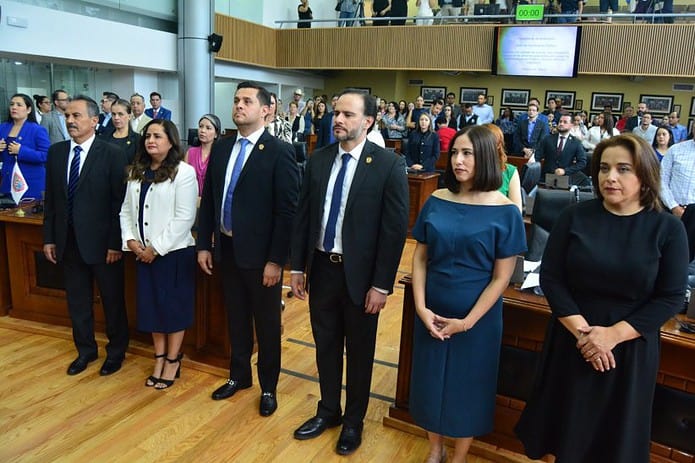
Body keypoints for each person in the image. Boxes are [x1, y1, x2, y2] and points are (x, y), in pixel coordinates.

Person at [515, 134, 688, 463]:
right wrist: (586, 336)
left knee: (613, 445)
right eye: (604, 168)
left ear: (645, 174)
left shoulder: (667, 228)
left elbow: (670, 297)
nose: (610, 177)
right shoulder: (574, 216)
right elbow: (551, 277)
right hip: (572, 338)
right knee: (562, 435)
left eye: (623, 169)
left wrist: (611, 336)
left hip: (628, 348)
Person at [290, 89, 408, 456]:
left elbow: (393, 231)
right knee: (326, 345)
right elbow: (304, 216)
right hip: (322, 269)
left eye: (348, 114)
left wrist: (381, 285)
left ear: (368, 121)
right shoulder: (319, 159)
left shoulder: (387, 165)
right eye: (336, 113)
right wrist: (297, 266)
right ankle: (329, 410)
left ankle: (354, 421)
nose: (338, 120)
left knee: (359, 352)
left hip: (361, 277)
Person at [410, 125, 526, 463]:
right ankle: (436, 449)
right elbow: (420, 257)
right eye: (455, 153)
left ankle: (460, 456)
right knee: (430, 382)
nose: (458, 160)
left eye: (467, 154)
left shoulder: (505, 210)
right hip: (432, 308)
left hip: (478, 318)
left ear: (486, 158)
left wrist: (467, 322)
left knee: (468, 389)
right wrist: (420, 307)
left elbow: (502, 277)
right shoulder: (437, 199)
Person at [197, 82, 300, 416]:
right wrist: (204, 244)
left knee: (266, 325)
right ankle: (238, 375)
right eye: (236, 100)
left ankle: (268, 386)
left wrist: (276, 261)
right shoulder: (223, 147)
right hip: (226, 248)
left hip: (261, 257)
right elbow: (210, 201)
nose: (239, 106)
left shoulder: (279, 152)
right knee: (236, 317)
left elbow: (286, 212)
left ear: (266, 110)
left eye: (247, 101)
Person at [42, 95, 129, 377]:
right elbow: (52, 200)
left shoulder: (112, 153)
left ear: (94, 120)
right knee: (77, 301)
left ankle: (116, 353)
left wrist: (115, 243)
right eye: (67, 116)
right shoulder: (56, 152)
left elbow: (119, 203)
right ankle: (85, 351)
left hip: (104, 245)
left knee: (112, 301)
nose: (70, 121)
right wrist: (49, 238)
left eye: (76, 115)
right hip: (67, 242)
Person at [120, 119, 198, 389]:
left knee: (172, 310)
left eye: (157, 136)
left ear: (171, 141)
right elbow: (126, 211)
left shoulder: (183, 172)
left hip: (172, 254)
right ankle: (159, 358)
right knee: (152, 309)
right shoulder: (137, 170)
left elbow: (184, 218)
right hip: (142, 253)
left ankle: (173, 360)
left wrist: (155, 248)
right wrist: (131, 241)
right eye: (147, 136)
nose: (150, 141)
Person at [0, 93, 50, 202]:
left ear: (28, 109)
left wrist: (21, 151)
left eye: (19, 105)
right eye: (12, 104)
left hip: (30, 184)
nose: (14, 107)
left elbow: (46, 155)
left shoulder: (37, 130)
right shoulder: (2, 128)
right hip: (7, 184)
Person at [487, 123, 522, 211]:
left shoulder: (509, 171)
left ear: (498, 145)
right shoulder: (470, 169)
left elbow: (517, 211)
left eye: (488, 142)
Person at [185, 113, 221, 196]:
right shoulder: (190, 152)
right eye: (201, 126)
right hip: (191, 198)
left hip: (211, 200)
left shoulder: (220, 155)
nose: (202, 130)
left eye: (208, 128)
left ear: (216, 134)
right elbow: (184, 179)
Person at [99, 98, 140, 163]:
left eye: (120, 114)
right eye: (113, 114)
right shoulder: (104, 137)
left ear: (129, 116)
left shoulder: (137, 139)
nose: (116, 118)